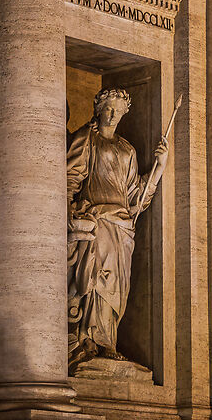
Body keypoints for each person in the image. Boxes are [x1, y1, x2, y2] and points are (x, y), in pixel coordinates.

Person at [67, 87, 177, 367]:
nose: (113, 115)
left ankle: (107, 341)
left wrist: (160, 167)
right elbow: (70, 178)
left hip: (122, 227)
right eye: (108, 108)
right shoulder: (86, 139)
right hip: (98, 221)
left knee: (115, 285)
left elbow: (136, 200)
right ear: (98, 109)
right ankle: (87, 340)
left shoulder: (127, 150)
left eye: (118, 110)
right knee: (95, 280)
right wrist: (68, 214)